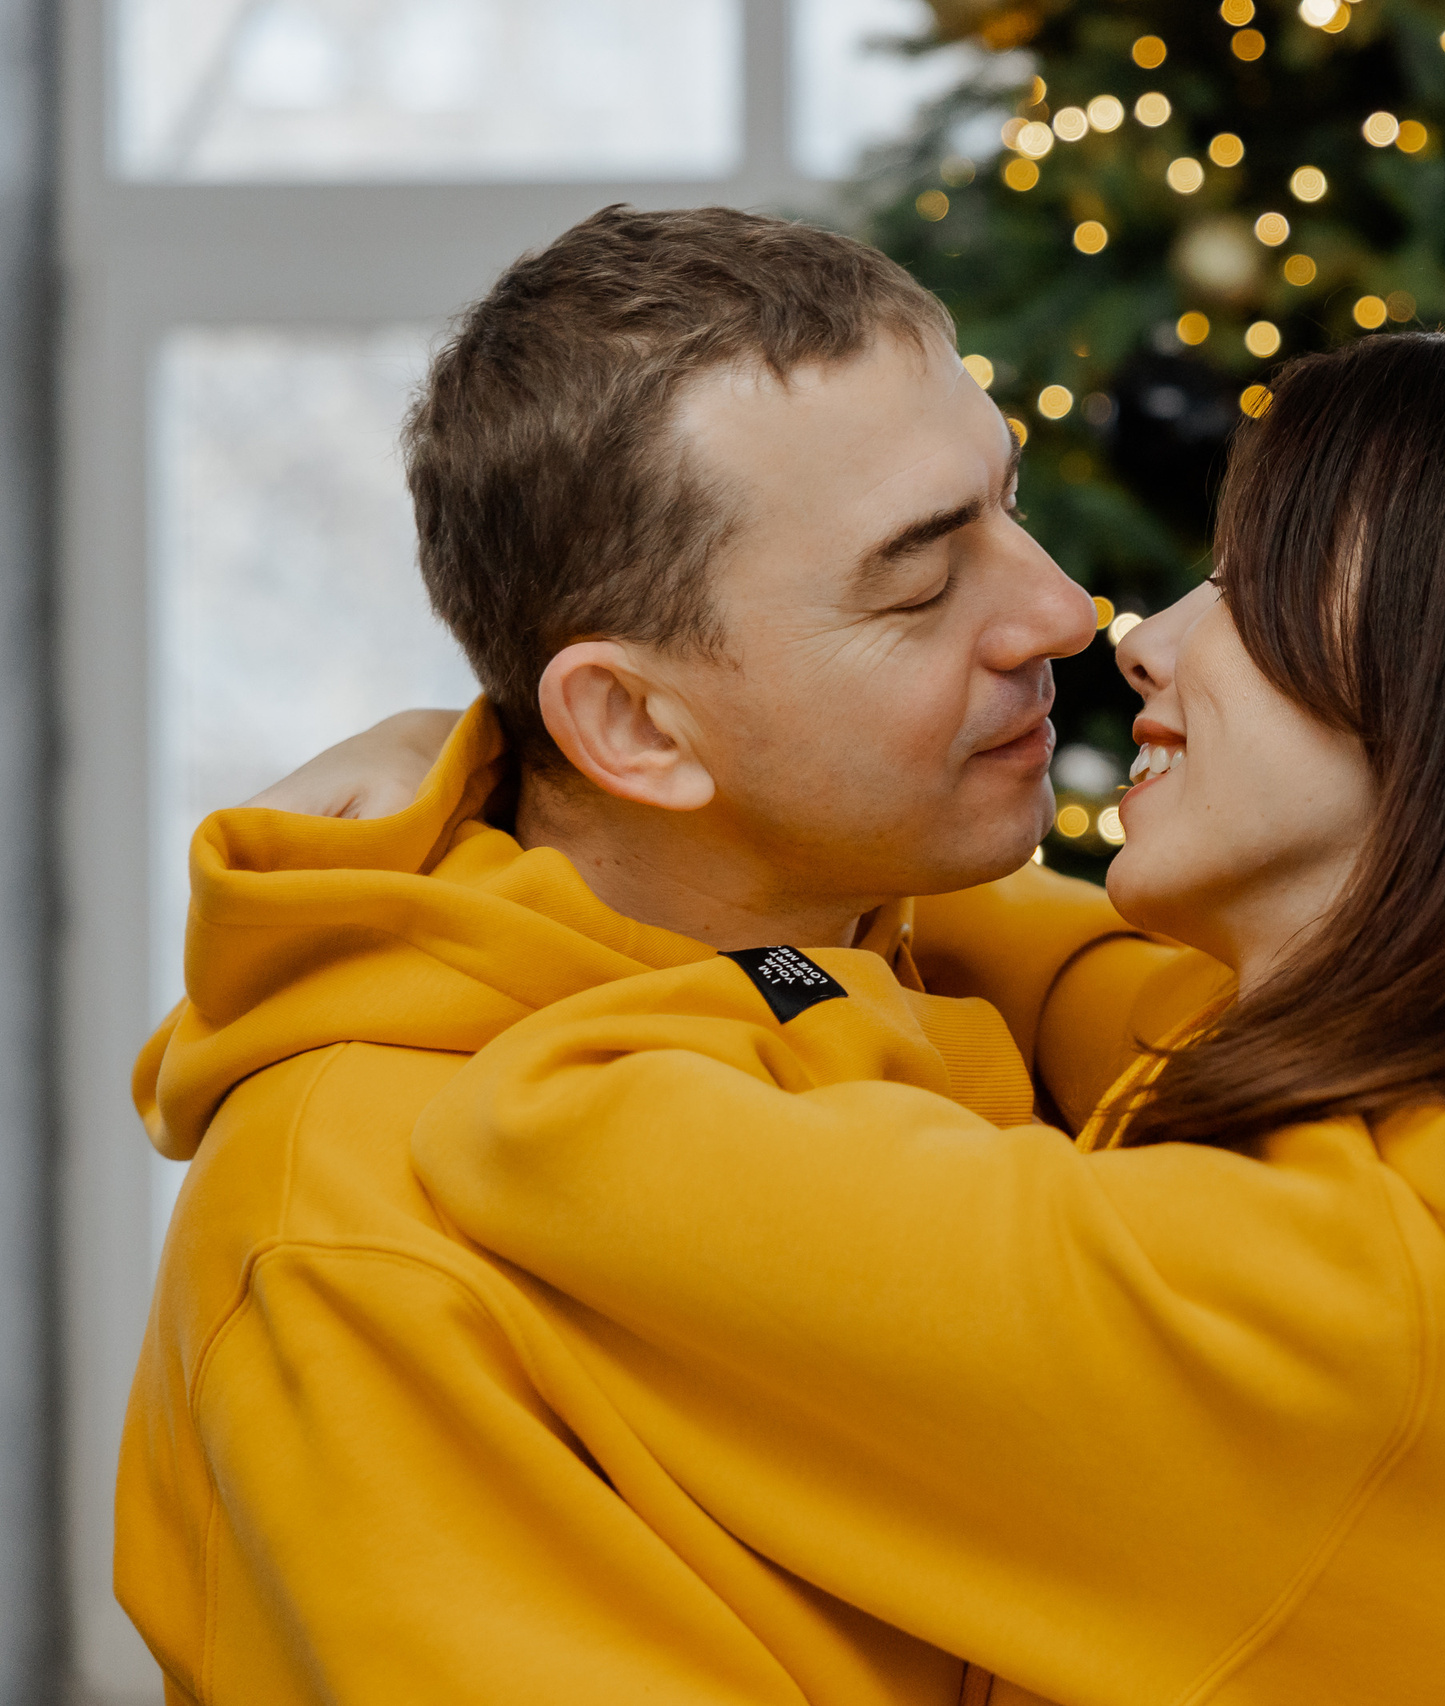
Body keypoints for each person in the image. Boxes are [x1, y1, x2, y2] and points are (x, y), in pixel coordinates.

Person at [387, 332, 1445, 1703]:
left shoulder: (1294, 1300)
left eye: (1261, 594)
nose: (1138, 631)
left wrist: (474, 831)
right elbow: (1104, 990)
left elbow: (558, 1119)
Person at [117, 204, 1202, 1704]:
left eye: (1002, 505)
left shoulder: (894, 952)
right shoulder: (355, 1229)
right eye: (917, 576)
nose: (1063, 610)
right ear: (634, 727)